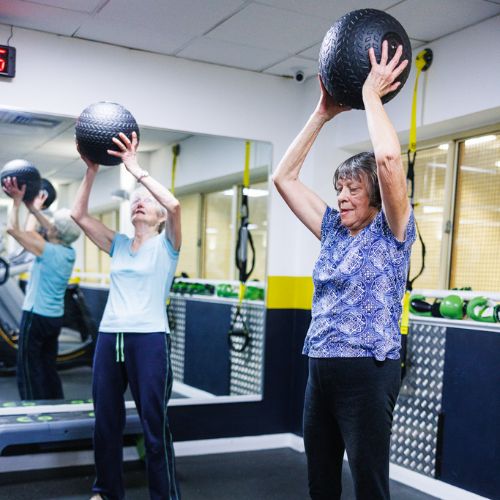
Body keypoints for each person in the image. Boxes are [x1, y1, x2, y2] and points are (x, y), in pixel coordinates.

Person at [272, 42, 416, 500]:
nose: (342, 197)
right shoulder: (334, 231)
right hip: (320, 371)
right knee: (321, 484)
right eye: (339, 188)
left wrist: (371, 96)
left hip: (368, 374)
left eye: (353, 189)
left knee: (369, 486)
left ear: (375, 198)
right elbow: (284, 179)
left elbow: (390, 162)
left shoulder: (392, 232)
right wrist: (322, 114)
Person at [71, 131, 182, 500]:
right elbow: (78, 215)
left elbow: (177, 205)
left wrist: (135, 169)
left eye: (147, 203)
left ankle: (163, 496)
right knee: (105, 422)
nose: (139, 203)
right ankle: (106, 492)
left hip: (150, 339)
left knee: (154, 428)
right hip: (109, 337)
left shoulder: (168, 246)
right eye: (135, 201)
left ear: (159, 217)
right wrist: (91, 171)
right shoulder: (117, 244)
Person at [3, 180, 81, 400]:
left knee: (28, 366)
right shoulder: (68, 252)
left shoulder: (47, 251)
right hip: (54, 318)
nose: (49, 225)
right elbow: (50, 229)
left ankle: (32, 409)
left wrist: (18, 202)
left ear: (54, 231)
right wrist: (35, 209)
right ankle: (55, 405)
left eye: (53, 225)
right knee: (47, 365)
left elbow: (14, 230)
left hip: (35, 316)